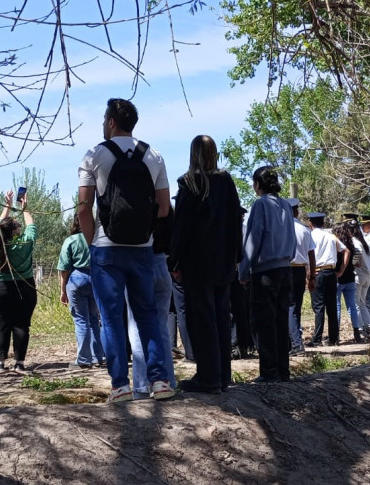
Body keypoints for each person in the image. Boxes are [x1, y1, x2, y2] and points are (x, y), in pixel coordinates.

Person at [76, 98, 175, 403]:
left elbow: (83, 209)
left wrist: (94, 243)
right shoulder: (154, 155)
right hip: (143, 248)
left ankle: (120, 385)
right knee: (146, 314)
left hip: (106, 248)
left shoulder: (94, 155)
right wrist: (141, 226)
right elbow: (163, 208)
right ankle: (159, 382)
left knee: (111, 317)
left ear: (110, 122)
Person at [170, 135, 244, 394]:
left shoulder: (190, 183)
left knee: (202, 319)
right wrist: (237, 256)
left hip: (198, 262)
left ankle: (208, 377)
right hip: (224, 261)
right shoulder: (226, 181)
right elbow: (236, 220)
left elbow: (182, 227)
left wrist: (174, 259)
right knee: (222, 317)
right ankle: (223, 375)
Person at [238, 166, 295, 383]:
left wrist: (244, 270)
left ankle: (269, 372)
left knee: (264, 323)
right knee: (281, 321)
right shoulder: (286, 205)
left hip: (265, 272)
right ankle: (283, 370)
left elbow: (253, 240)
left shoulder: (261, 204)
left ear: (258, 184)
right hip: (285, 269)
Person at [126, 206, 179, 399]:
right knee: (161, 328)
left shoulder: (134, 205)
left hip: (139, 263)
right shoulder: (166, 206)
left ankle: (141, 386)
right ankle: (167, 382)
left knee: (137, 328)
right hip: (162, 264)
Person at [0, 189, 37, 372]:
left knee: (2, 324)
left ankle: (0, 363)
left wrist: (7, 206)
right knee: (21, 324)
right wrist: (24, 208)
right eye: (17, 226)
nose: (20, 227)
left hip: (0, 287)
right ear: (15, 231)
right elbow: (31, 226)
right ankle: (19, 363)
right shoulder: (25, 242)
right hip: (23, 286)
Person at [58, 218, 105, 369]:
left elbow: (64, 268)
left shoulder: (71, 240)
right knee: (94, 319)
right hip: (96, 279)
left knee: (80, 320)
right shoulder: (95, 239)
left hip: (76, 279)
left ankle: (84, 359)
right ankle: (98, 356)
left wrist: (62, 290)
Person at [307, 212, 348, 346]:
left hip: (317, 272)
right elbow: (346, 251)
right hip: (331, 273)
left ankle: (317, 339)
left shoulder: (310, 236)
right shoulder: (332, 236)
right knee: (331, 306)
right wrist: (341, 270)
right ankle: (334, 338)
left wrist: (308, 276)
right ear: (323, 224)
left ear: (310, 224)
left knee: (318, 307)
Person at [287, 198, 316, 354]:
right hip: (300, 271)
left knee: (288, 307)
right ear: (296, 212)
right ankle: (294, 341)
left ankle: (296, 345)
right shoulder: (305, 230)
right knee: (295, 307)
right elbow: (311, 254)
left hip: (286, 270)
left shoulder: (282, 228)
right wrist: (311, 276)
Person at [332, 222, 361, 342]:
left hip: (338, 278)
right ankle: (356, 332)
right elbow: (356, 262)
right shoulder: (352, 244)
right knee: (352, 307)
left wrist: (339, 271)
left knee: (337, 307)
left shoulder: (336, 245)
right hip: (351, 278)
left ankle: (336, 334)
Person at [349, 218, 370, 340]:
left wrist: (353, 263)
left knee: (356, 304)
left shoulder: (354, 241)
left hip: (359, 275)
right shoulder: (363, 241)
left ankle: (359, 329)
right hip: (367, 275)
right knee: (362, 303)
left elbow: (357, 253)